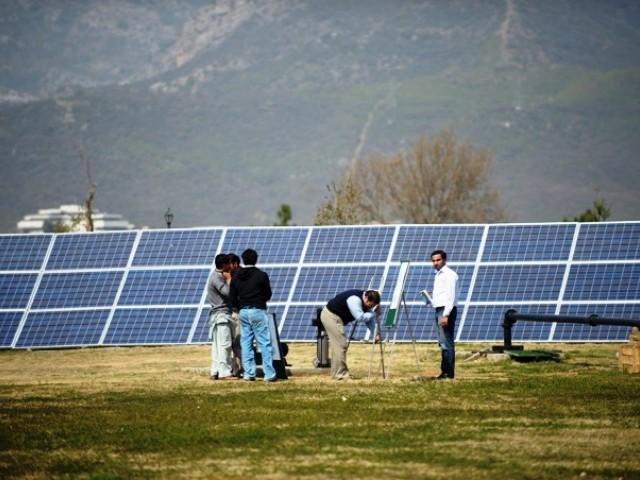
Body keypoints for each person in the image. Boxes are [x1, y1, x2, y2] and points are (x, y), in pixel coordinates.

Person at [229, 248, 277, 382]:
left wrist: (240, 307)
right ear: (256, 259)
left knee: (246, 343)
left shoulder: (237, 277)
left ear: (243, 260)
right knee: (264, 343)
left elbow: (232, 297)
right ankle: (269, 374)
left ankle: (249, 373)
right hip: (258, 310)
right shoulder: (261, 275)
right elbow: (268, 294)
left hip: (243, 312)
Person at [320, 289, 382, 380]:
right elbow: (360, 317)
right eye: (370, 304)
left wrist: (375, 334)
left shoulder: (366, 301)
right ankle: (339, 375)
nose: (370, 306)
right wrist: (374, 314)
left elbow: (368, 319)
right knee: (340, 345)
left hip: (337, 318)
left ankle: (341, 372)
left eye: (372, 306)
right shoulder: (354, 299)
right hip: (330, 316)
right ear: (366, 298)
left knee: (340, 345)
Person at [207, 253, 240, 380]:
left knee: (218, 346)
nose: (230, 266)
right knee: (225, 345)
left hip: (217, 315)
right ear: (225, 265)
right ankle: (225, 373)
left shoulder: (214, 276)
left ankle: (215, 371)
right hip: (222, 315)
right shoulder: (218, 278)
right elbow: (227, 292)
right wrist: (229, 279)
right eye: (229, 264)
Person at [429, 249, 459, 380]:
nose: (435, 263)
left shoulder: (449, 274)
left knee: (446, 342)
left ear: (444, 260)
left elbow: (450, 297)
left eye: (438, 260)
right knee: (442, 342)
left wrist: (446, 314)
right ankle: (444, 371)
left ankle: (448, 373)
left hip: (446, 310)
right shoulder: (438, 275)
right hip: (438, 309)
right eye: (433, 260)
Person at [227, 253, 243, 375]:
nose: (227, 266)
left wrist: (229, 281)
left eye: (229, 264)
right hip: (233, 312)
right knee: (233, 343)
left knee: (238, 343)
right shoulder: (232, 275)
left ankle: (243, 368)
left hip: (239, 313)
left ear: (235, 264)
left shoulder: (240, 276)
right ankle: (236, 368)